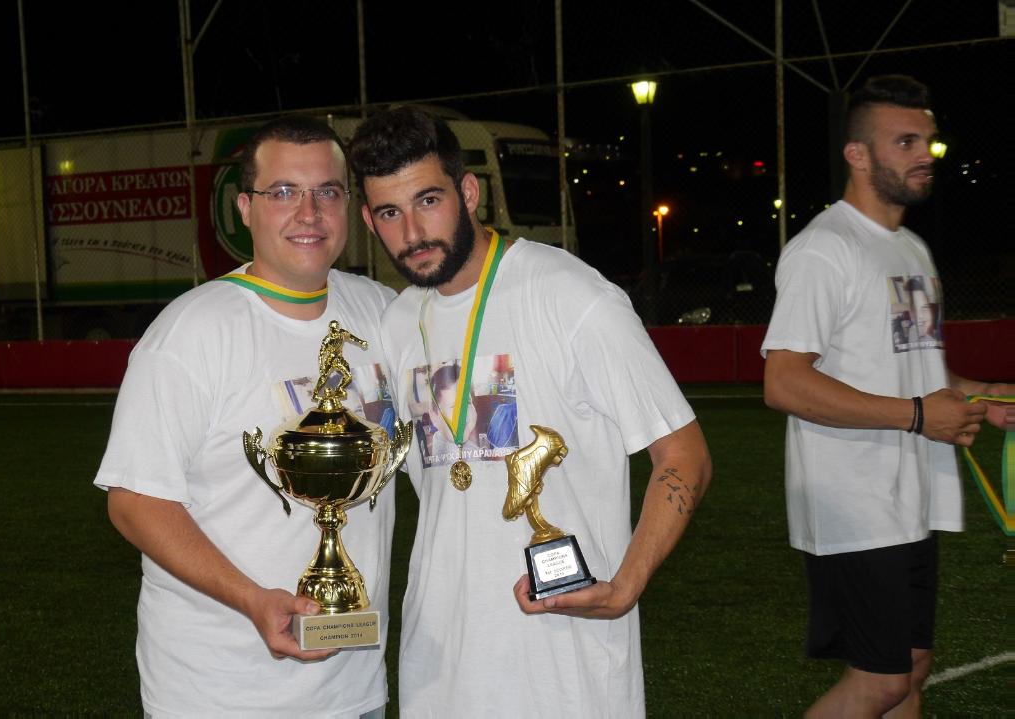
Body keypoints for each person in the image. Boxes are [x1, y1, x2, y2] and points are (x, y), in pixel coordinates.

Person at [348, 106, 712, 717]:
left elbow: (685, 455)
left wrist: (626, 585)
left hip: (564, 670)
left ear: (468, 192)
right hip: (440, 674)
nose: (412, 231)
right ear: (369, 220)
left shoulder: (571, 295)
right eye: (390, 212)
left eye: (428, 200)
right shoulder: (397, 324)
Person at [94, 116, 397, 717]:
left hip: (353, 688)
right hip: (222, 693)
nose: (308, 213)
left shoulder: (383, 314)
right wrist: (252, 598)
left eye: (327, 191)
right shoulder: (192, 331)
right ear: (244, 208)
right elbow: (134, 500)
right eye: (283, 192)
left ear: (349, 205)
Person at [760, 75, 1014, 717]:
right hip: (854, 500)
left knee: (911, 669)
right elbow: (784, 381)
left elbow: (915, 366)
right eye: (905, 142)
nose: (925, 153)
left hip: (911, 494)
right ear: (858, 154)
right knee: (880, 681)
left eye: (928, 140)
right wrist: (921, 416)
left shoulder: (911, 249)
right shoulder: (824, 249)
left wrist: (982, 396)